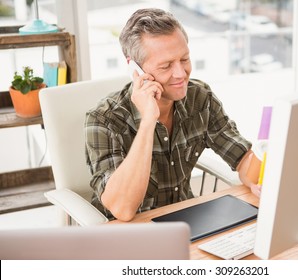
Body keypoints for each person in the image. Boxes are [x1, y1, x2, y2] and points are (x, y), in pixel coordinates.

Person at [85, 8, 261, 222]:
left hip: (186, 221)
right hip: (128, 233)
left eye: (184, 59)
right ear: (135, 68)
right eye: (166, 65)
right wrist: (148, 121)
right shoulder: (104, 119)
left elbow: (242, 158)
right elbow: (123, 209)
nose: (180, 74)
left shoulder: (200, 99)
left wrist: (261, 177)